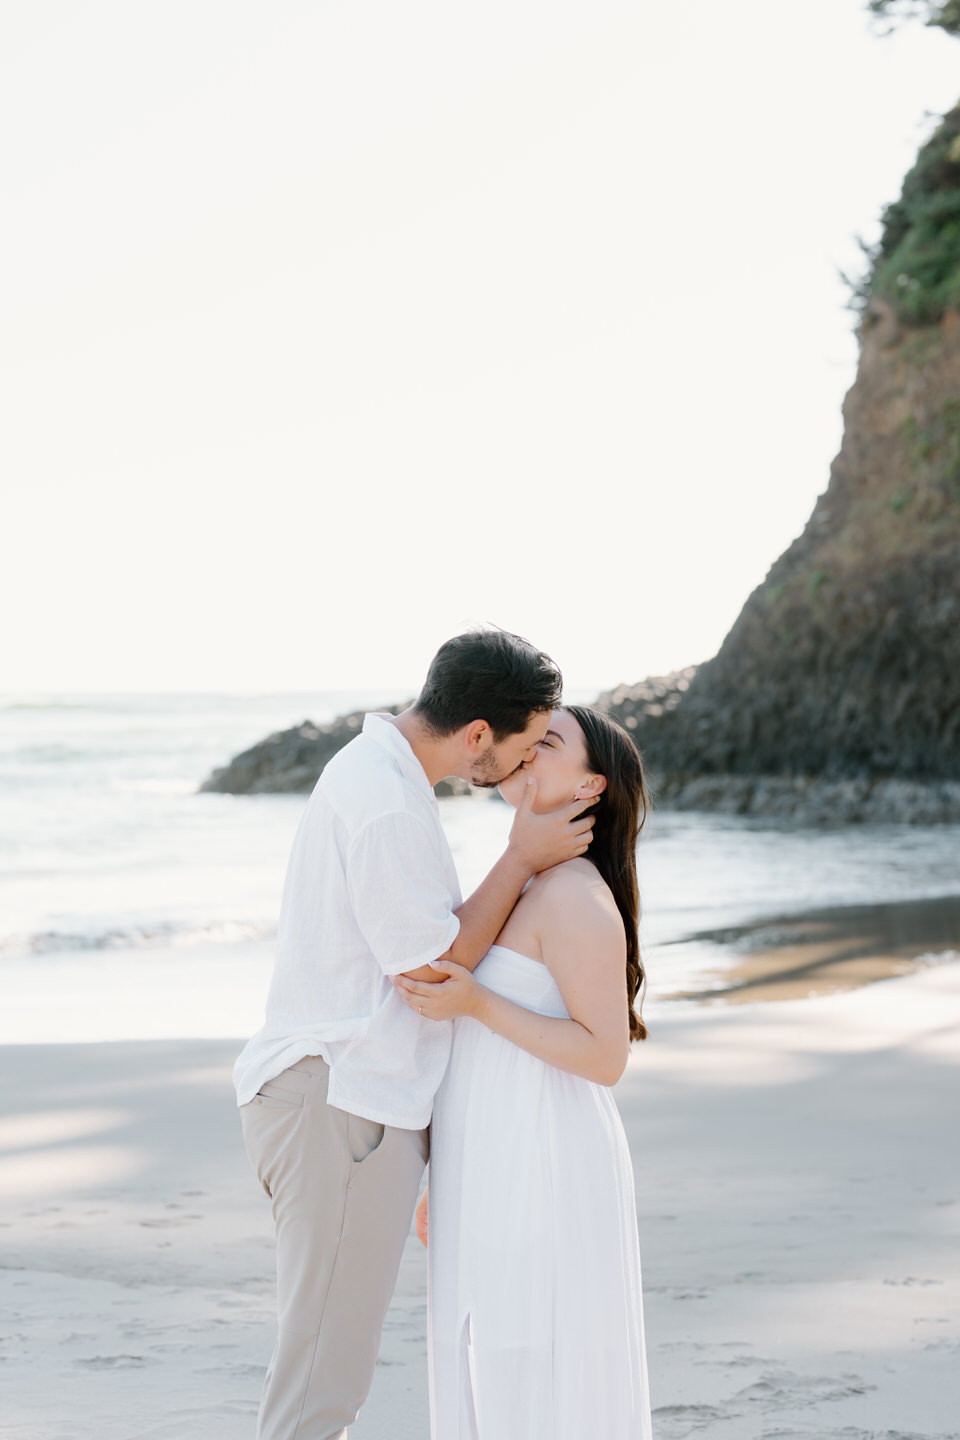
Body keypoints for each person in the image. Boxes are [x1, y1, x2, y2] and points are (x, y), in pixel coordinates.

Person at [233, 630, 597, 1440]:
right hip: (343, 1103)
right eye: (528, 742)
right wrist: (519, 856)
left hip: (340, 1100)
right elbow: (431, 972)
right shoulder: (389, 803)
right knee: (321, 1384)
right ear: (478, 737)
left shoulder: (381, 776)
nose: (530, 760)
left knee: (325, 1370)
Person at [395, 704, 653, 1440]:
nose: (526, 752)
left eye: (549, 743)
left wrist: (476, 1002)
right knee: (484, 1351)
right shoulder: (527, 882)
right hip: (494, 1153)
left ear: (590, 785)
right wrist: (443, 1168)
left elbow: (605, 1057)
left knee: (531, 1360)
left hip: (546, 1157)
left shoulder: (573, 893)